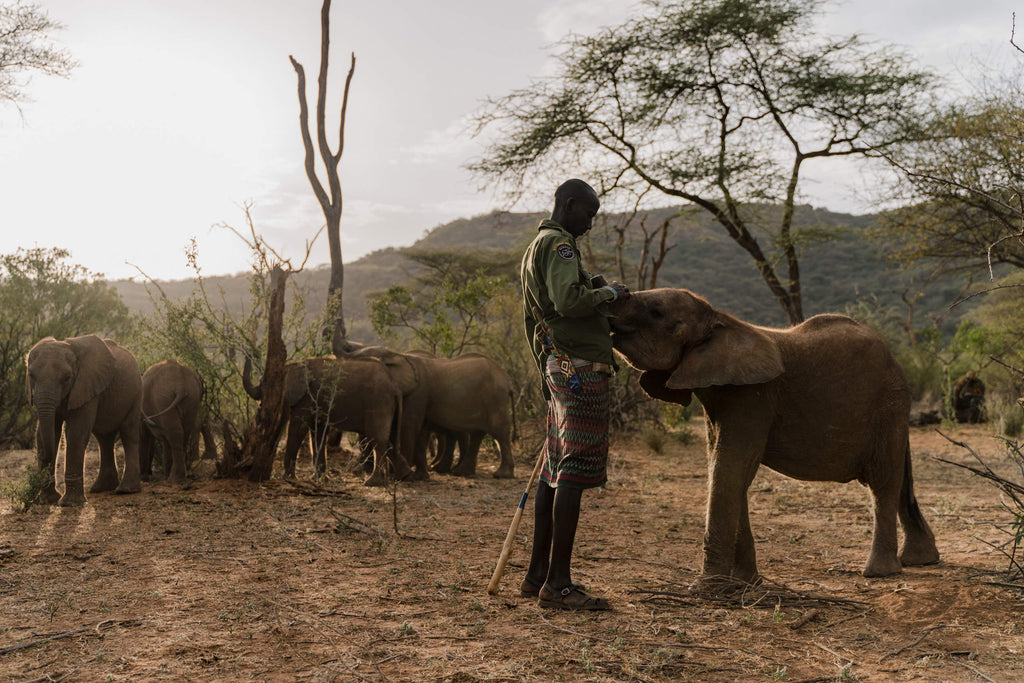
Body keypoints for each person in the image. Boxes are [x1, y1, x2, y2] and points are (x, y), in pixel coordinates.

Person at [519, 178, 629, 610]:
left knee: (553, 467)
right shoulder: (560, 246)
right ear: (568, 205)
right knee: (574, 467)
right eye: (588, 213)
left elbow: (543, 309)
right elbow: (566, 301)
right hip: (579, 368)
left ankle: (537, 575)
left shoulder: (535, 246)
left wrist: (590, 288)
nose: (590, 223)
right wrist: (608, 293)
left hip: (558, 365)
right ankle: (559, 584)